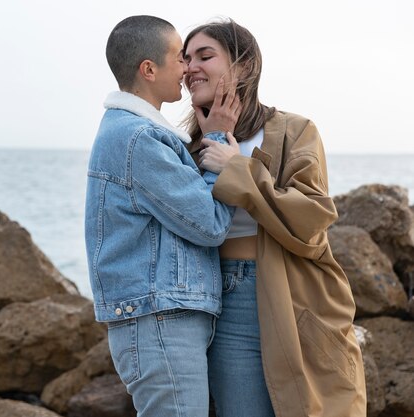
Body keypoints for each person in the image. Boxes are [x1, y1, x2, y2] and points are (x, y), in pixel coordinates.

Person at [182, 17, 367, 417]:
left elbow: (313, 218)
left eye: (205, 55)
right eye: (185, 58)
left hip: (296, 294)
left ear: (244, 65)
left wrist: (237, 168)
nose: (189, 66)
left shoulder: (295, 131)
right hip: (221, 300)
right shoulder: (185, 146)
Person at [84, 15, 240, 417]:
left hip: (160, 320)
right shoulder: (138, 138)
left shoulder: (133, 132)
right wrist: (219, 139)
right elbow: (210, 224)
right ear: (148, 70)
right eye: (179, 57)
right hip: (159, 323)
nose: (188, 69)